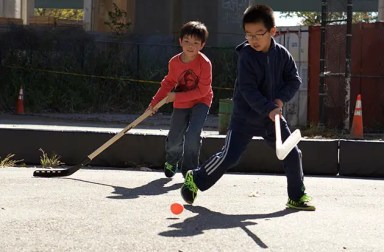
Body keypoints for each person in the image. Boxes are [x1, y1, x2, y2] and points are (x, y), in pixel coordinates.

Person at [180, 5, 315, 211]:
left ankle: (296, 196)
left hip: (272, 119)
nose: (253, 39)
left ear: (272, 32)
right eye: (248, 34)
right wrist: (269, 107)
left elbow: (294, 80)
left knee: (292, 153)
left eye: (259, 34)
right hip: (245, 118)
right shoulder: (246, 56)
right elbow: (247, 90)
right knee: (230, 156)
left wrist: (279, 99)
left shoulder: (282, 54)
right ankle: (195, 178)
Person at [147, 21, 213, 178]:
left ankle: (190, 170)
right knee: (175, 135)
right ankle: (172, 160)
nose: (191, 46)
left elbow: (203, 90)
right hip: (182, 103)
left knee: (192, 134)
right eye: (187, 41)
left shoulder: (205, 63)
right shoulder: (174, 62)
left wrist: (176, 96)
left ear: (202, 45)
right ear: (180, 41)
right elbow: (168, 83)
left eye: (196, 43)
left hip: (201, 101)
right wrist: (154, 104)